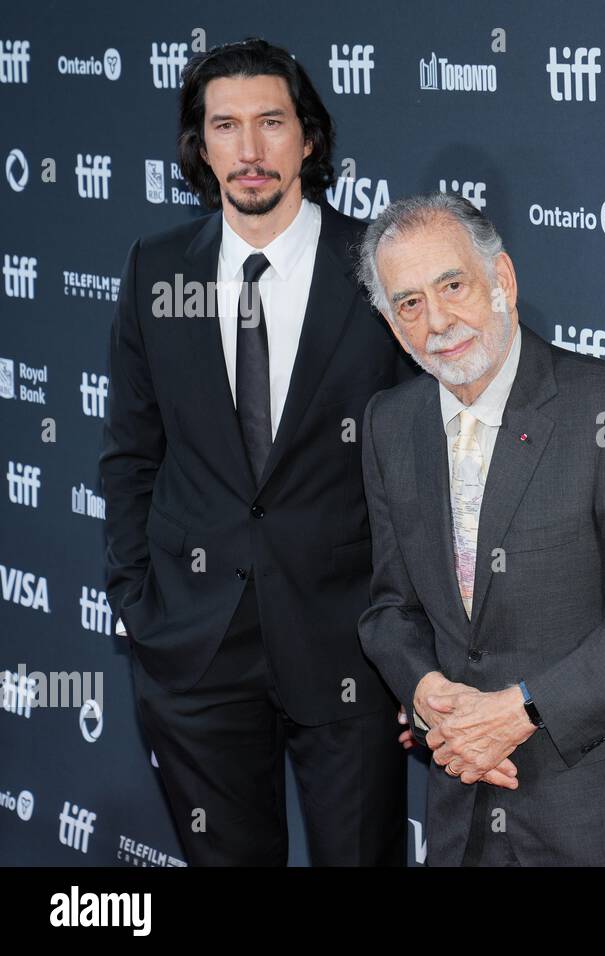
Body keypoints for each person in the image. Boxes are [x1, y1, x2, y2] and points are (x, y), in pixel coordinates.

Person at [100, 38, 414, 865]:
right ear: (199, 146)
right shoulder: (154, 269)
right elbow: (131, 455)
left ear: (308, 137)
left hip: (348, 645)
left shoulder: (379, 268)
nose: (249, 150)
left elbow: (432, 456)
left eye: (271, 122)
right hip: (194, 647)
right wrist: (138, 602)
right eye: (225, 126)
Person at [355, 193, 605, 866]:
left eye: (451, 285)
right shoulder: (389, 425)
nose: (437, 321)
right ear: (393, 325)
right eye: (409, 303)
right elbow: (390, 608)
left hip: (597, 811)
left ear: (501, 281)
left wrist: (522, 711)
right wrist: (427, 695)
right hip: (463, 803)